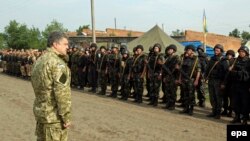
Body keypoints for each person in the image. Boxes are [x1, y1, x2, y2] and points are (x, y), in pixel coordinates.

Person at [31, 31, 71, 141]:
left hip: (42, 115)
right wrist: (66, 117)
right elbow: (62, 93)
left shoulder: (39, 61)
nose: (67, 47)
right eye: (65, 44)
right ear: (55, 44)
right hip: (54, 119)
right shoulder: (58, 64)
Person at [177, 45, 201, 115]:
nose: (188, 51)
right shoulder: (184, 59)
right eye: (187, 50)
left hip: (191, 80)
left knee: (191, 95)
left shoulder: (196, 59)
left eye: (189, 50)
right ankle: (186, 108)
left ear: (192, 51)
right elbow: (181, 70)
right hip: (184, 79)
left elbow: (199, 71)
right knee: (185, 94)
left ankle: (191, 109)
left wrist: (196, 80)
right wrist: (179, 79)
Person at [229, 46, 250, 125]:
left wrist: (236, 72)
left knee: (244, 103)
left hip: (244, 85)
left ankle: (244, 119)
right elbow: (230, 71)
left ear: (246, 53)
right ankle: (237, 117)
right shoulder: (236, 61)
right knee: (235, 102)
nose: (241, 53)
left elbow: (247, 74)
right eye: (240, 51)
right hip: (235, 84)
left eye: (243, 51)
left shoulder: (249, 61)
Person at [205, 44, 226, 119]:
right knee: (212, 97)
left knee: (218, 98)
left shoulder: (223, 60)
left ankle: (218, 113)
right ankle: (213, 111)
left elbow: (226, 73)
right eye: (215, 50)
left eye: (217, 50)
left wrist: (223, 83)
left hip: (218, 81)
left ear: (221, 51)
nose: (216, 51)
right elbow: (207, 69)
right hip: (211, 80)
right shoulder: (212, 59)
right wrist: (205, 77)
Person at [162, 44, 180, 110]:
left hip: (173, 77)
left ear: (174, 50)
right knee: (167, 91)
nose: (169, 51)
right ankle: (168, 104)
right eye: (168, 50)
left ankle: (172, 105)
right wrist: (164, 77)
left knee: (172, 91)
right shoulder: (167, 58)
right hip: (167, 77)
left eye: (170, 50)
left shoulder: (177, 58)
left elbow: (177, 69)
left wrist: (177, 79)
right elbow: (164, 69)